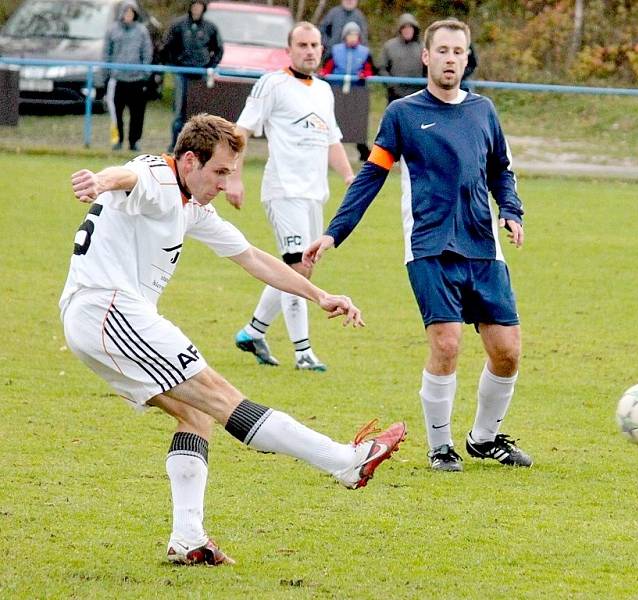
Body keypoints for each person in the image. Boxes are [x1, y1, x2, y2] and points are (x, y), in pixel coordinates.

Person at [60, 113, 406, 565]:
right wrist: (98, 180)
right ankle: (345, 461)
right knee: (224, 399)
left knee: (196, 416)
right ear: (189, 161)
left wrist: (319, 295)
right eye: (220, 171)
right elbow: (127, 175)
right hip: (110, 311)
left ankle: (188, 539)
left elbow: (252, 257)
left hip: (96, 317)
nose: (225, 183)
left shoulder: (190, 204)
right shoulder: (160, 177)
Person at [304, 20, 532, 473]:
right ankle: (440, 445)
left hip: (483, 246)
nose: (450, 59)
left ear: (467, 59)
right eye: (442, 51)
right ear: (426, 57)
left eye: (458, 52)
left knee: (507, 350)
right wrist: (335, 231)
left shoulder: (484, 111)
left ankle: (484, 439)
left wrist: (511, 209)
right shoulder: (404, 115)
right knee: (446, 344)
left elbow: (500, 170)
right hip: (428, 245)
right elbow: (371, 176)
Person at [226, 22, 355, 372]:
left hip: (315, 194)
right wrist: (234, 178)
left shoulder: (325, 91)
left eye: (315, 44)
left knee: (300, 268)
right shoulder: (273, 84)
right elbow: (241, 130)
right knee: (299, 267)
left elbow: (332, 140)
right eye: (302, 44)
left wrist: (349, 177)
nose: (310, 50)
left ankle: (253, 332)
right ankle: (303, 353)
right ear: (289, 48)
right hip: (284, 190)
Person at [160, 0, 223, 152]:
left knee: (198, 112)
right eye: (195, 6)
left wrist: (210, 65)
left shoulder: (210, 27)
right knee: (179, 112)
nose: (197, 9)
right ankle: (175, 145)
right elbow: (166, 46)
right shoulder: (178, 25)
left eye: (200, 6)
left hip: (200, 74)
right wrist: (174, 64)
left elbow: (218, 49)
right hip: (182, 73)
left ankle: (197, 146)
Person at [319, 21, 375, 161]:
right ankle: (327, 149)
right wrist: (325, 73)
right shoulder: (335, 50)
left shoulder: (364, 52)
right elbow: (328, 67)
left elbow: (369, 69)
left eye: (355, 35)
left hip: (357, 92)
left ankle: (362, 151)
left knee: (357, 122)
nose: (353, 37)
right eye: (350, 35)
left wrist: (364, 75)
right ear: (345, 36)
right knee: (334, 119)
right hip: (337, 89)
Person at [102, 0, 153, 151]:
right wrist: (107, 73)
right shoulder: (112, 30)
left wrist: (145, 73)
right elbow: (106, 53)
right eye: (126, 12)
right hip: (118, 80)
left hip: (136, 80)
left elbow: (147, 52)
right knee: (116, 113)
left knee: (137, 114)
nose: (128, 15)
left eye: (131, 12)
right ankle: (118, 139)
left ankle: (134, 141)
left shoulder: (142, 31)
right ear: (121, 13)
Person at [377, 13, 425, 104]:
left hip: (418, 94)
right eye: (404, 27)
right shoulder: (389, 46)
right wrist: (391, 84)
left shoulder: (423, 47)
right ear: (400, 29)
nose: (407, 30)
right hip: (395, 95)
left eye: (410, 27)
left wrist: (425, 85)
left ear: (414, 29)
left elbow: (430, 69)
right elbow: (381, 67)